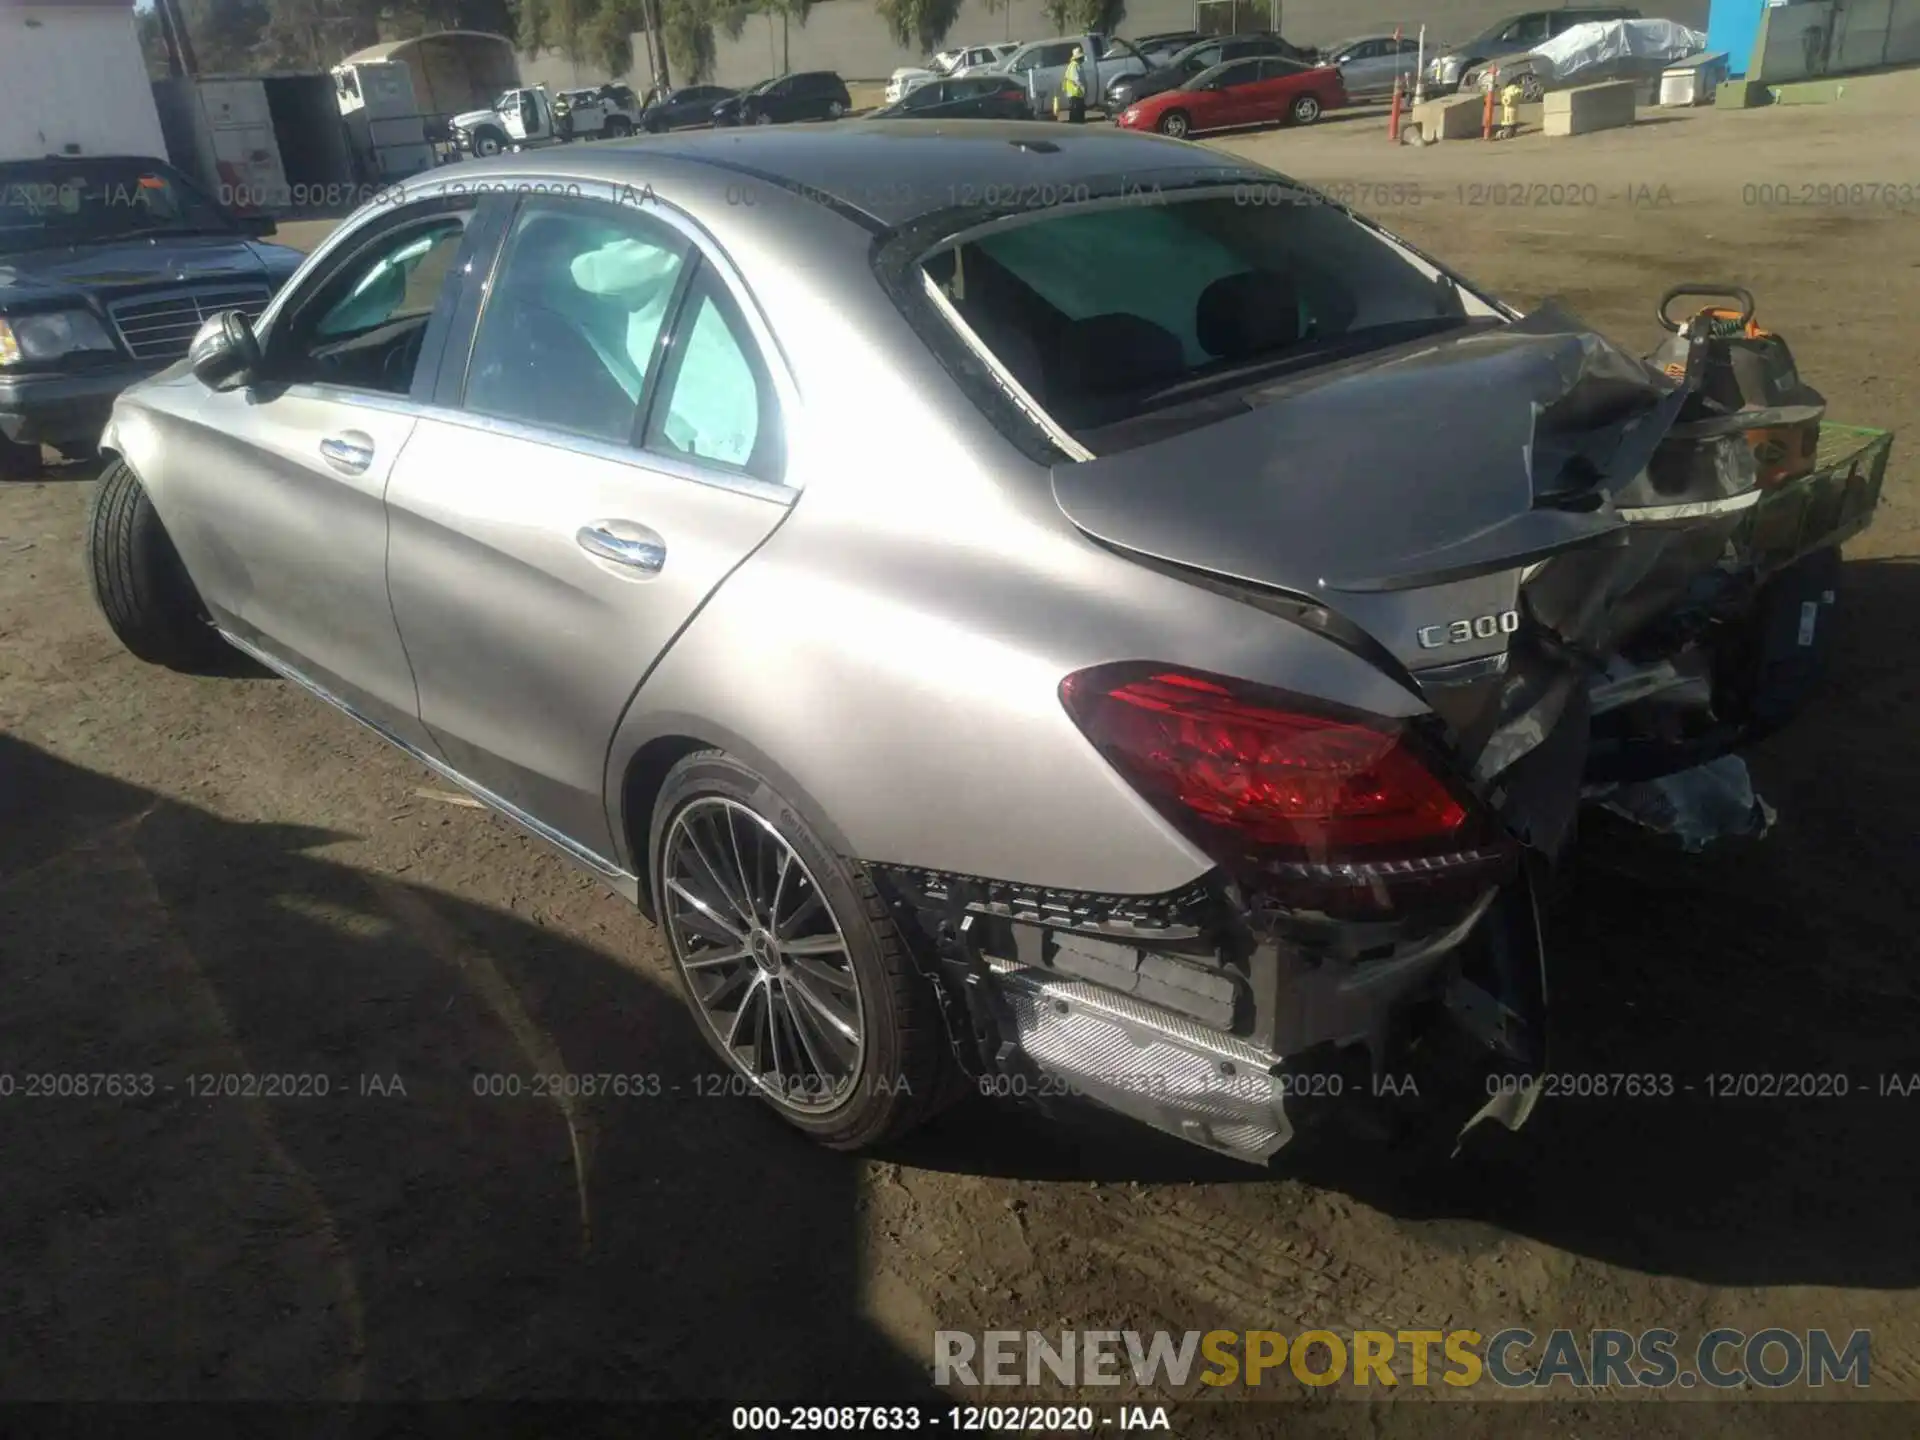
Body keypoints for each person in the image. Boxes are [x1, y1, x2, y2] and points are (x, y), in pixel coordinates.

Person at [1062, 45, 1087, 124]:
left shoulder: (1076, 65)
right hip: (1075, 93)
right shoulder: (1074, 66)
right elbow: (1077, 79)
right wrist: (1083, 89)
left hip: (1076, 94)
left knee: (1076, 113)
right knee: (1077, 116)